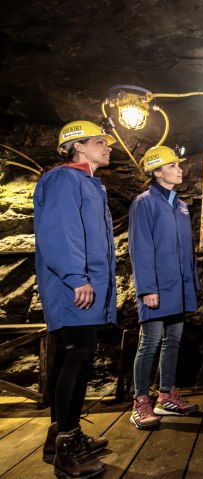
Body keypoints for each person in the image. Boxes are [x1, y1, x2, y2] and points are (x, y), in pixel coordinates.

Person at [34, 120, 118, 478]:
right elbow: (59, 232)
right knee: (77, 357)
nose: (108, 146)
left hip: (81, 284)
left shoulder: (85, 181)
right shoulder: (63, 178)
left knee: (71, 357)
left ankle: (60, 435)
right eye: (101, 141)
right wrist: (76, 277)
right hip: (73, 286)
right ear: (78, 146)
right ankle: (67, 450)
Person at [128, 145, 200, 430]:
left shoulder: (180, 206)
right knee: (150, 343)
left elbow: (186, 250)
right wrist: (147, 288)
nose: (179, 169)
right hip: (156, 288)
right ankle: (140, 402)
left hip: (178, 288)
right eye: (172, 166)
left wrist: (191, 285)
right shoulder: (144, 203)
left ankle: (166, 396)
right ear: (157, 172)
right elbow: (141, 248)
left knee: (173, 341)